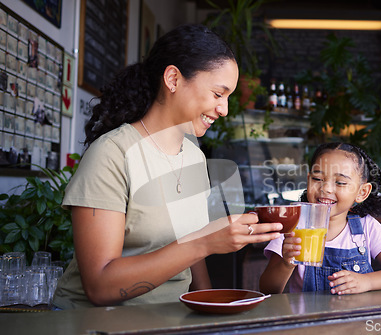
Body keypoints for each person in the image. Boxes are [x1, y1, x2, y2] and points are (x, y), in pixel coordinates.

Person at [53, 24, 282, 309]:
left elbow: (191, 253)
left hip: (169, 318)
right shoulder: (113, 153)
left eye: (228, 97)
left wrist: (209, 307)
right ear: (173, 79)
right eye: (217, 94)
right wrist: (207, 242)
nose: (224, 109)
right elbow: (99, 287)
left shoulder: (194, 155)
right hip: (97, 323)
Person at [259, 142, 381, 295]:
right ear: (308, 180)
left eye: (340, 182)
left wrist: (367, 281)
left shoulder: (366, 226)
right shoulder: (292, 225)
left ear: (362, 192)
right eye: (317, 179)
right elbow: (267, 289)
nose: (326, 188)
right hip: (309, 318)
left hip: (357, 318)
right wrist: (286, 264)